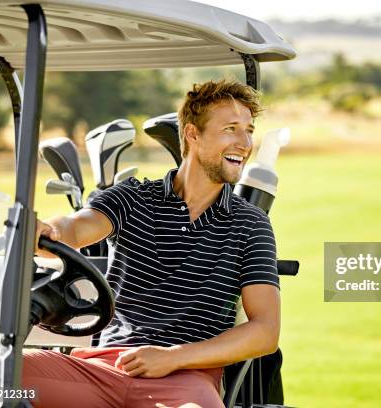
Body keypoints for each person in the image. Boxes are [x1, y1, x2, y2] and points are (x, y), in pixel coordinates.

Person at [23, 79, 281, 408]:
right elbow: (75, 227)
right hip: (103, 370)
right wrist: (49, 232)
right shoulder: (133, 197)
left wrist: (173, 357)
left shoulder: (250, 223)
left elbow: (265, 331)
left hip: (186, 381)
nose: (245, 143)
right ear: (192, 134)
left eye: (249, 130)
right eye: (231, 129)